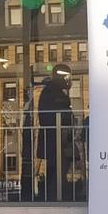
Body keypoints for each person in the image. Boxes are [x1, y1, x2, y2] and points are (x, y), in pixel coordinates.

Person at [35, 64, 75, 202]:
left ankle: (57, 194)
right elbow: (59, 115)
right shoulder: (53, 92)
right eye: (66, 77)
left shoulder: (53, 91)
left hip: (58, 138)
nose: (68, 80)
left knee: (59, 168)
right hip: (56, 139)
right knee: (57, 169)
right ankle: (55, 196)